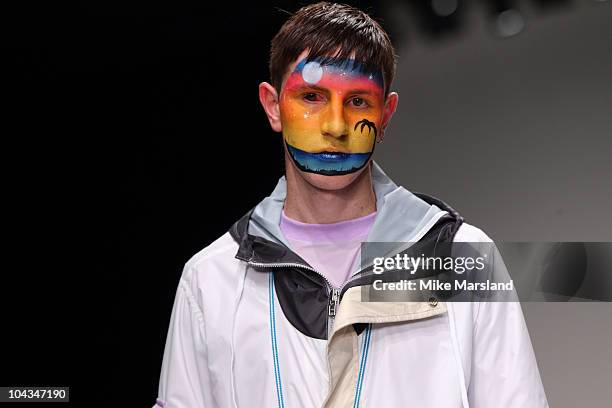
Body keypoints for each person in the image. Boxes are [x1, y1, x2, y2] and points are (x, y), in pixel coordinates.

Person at [153, 2, 548, 407]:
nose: (336, 127)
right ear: (273, 106)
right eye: (311, 97)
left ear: (386, 114)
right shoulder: (212, 279)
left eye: (358, 101)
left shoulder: (459, 258)